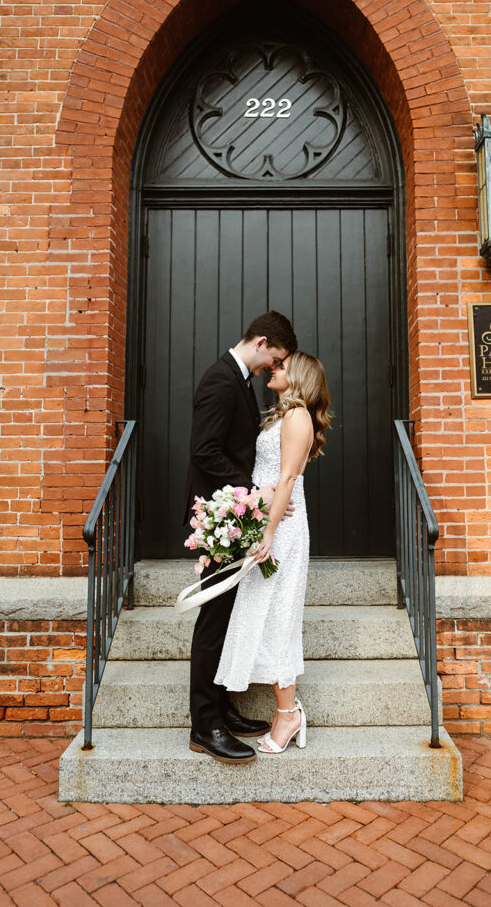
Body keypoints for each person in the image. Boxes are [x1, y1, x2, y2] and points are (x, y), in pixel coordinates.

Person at [186, 310, 298, 764]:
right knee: (213, 620)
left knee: (227, 617)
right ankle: (204, 724)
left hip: (234, 519)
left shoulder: (240, 380)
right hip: (217, 520)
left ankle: (222, 709)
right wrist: (256, 491)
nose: (275, 367)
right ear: (261, 342)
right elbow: (204, 452)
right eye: (276, 358)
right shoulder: (220, 380)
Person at [215, 351, 332, 754]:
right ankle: (287, 710)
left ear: (298, 376)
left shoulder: (298, 416)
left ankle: (288, 714)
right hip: (271, 523)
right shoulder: (284, 415)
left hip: (281, 531)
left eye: (281, 366)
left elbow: (286, 478)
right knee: (263, 615)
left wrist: (266, 531)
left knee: (278, 617)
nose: (273, 368)